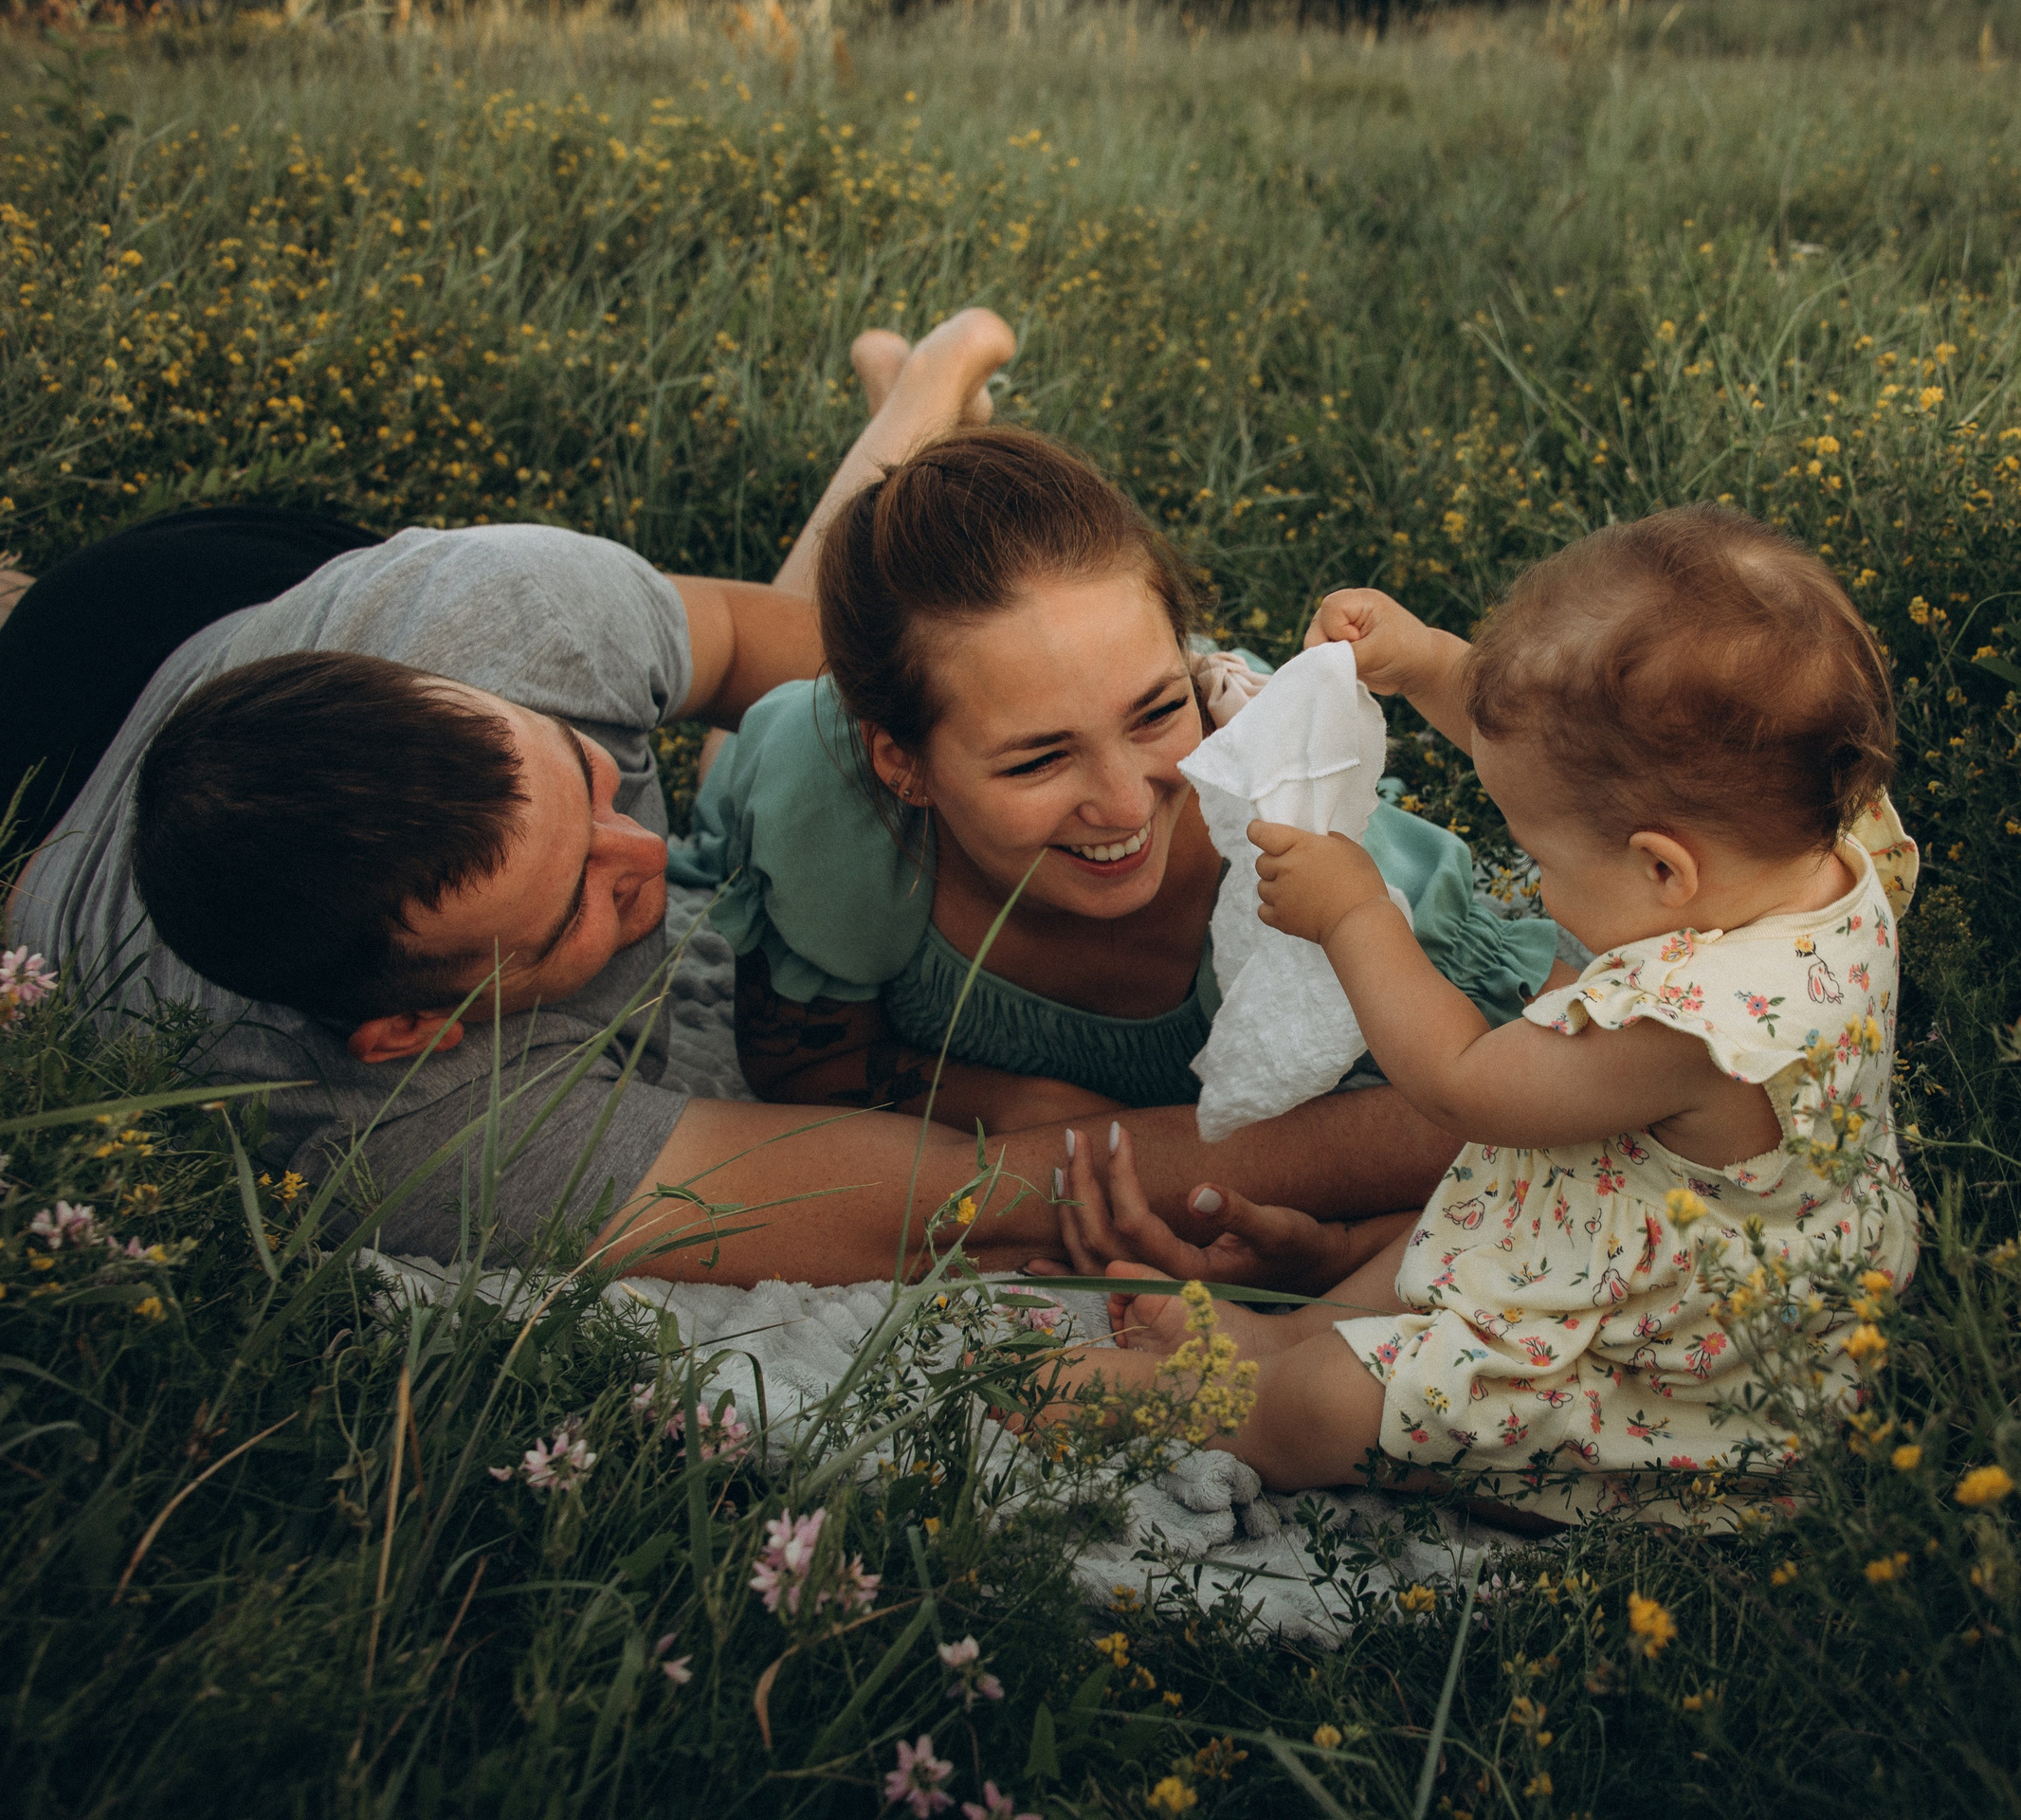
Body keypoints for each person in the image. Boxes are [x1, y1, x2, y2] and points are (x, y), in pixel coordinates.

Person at [0, 312, 1450, 1285]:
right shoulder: (429, 1140)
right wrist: (1466, 1125)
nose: (654, 857)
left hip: (200, 600)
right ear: (409, 1027)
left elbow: (810, 658)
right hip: (39, 779)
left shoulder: (514, 619)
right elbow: (971, 1190)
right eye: (582, 902)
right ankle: (919, 394)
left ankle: (925, 405)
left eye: (584, 774)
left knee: (803, 732)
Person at [1055, 505, 1924, 1524]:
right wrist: (1425, 662)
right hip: (1643, 1238)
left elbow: (1462, 1082)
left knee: (1348, 1405)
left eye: (1542, 863)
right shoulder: (1804, 836)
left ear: (1660, 867)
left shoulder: (1686, 1029)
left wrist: (1356, 914)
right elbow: (1571, 750)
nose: (1536, 890)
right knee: (1474, 1215)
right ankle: (1289, 1336)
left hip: (1659, 1375)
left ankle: (1240, 1402)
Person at [666, 425, 1566, 1220]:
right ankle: (924, 392)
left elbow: (1538, 1098)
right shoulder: (822, 799)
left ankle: (930, 386)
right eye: (1037, 759)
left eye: (1155, 712)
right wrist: (1014, 1106)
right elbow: (801, 1071)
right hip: (798, 751)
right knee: (725, 775)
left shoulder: (1314, 851)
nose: (1129, 807)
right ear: (899, 765)